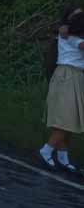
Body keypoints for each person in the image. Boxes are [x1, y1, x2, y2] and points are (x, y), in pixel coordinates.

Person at [41, 11, 84, 174]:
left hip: (71, 77)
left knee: (67, 120)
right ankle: (46, 150)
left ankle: (63, 157)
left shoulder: (67, 34)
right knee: (66, 120)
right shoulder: (71, 37)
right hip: (69, 76)